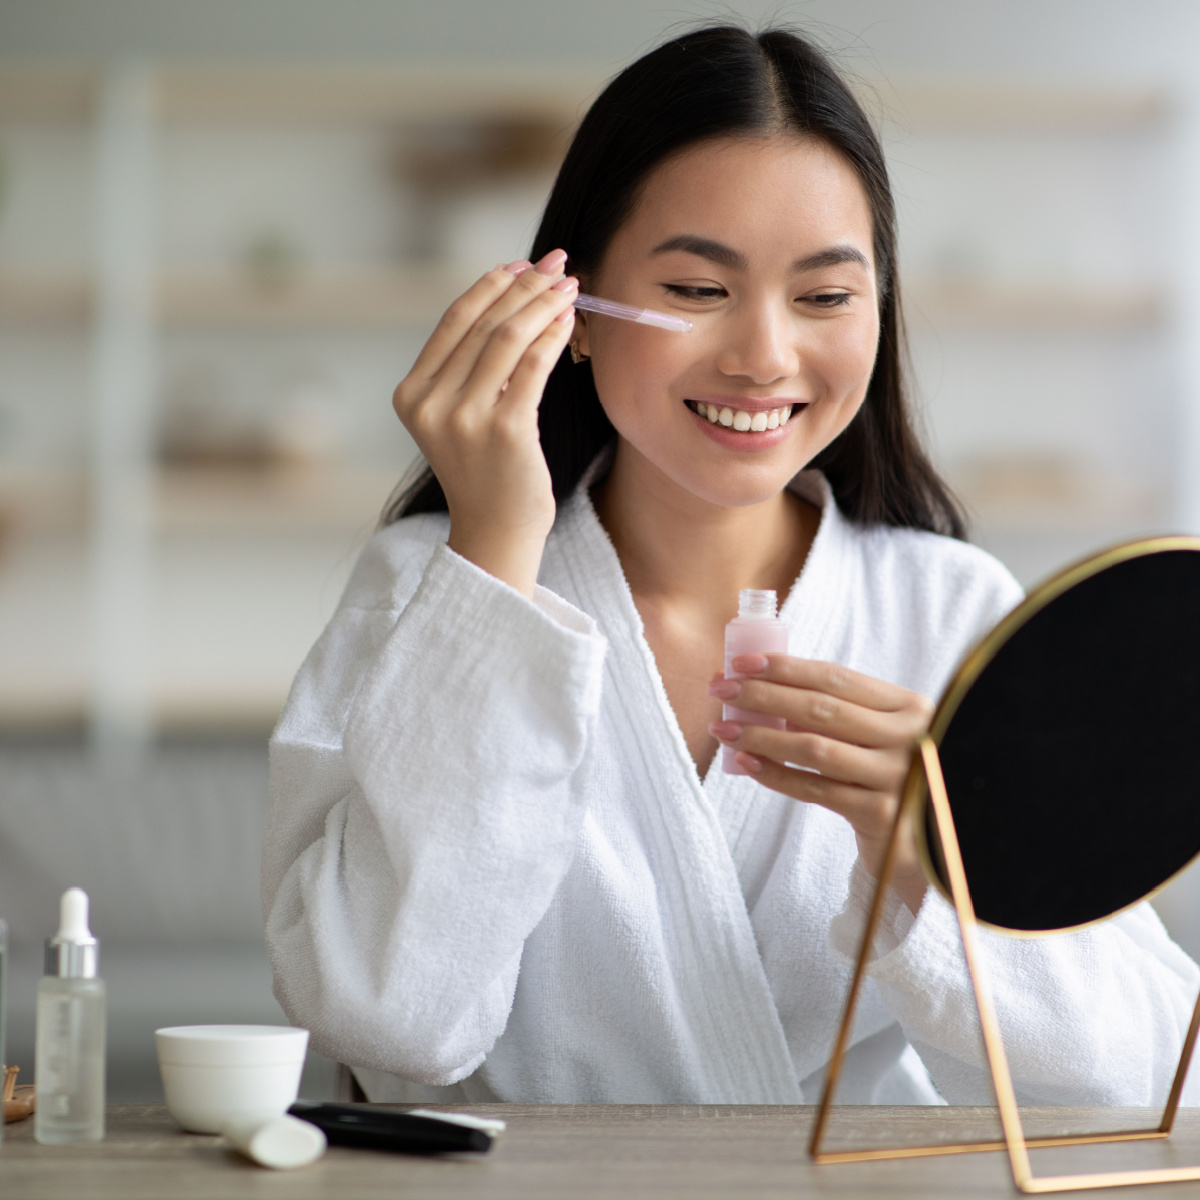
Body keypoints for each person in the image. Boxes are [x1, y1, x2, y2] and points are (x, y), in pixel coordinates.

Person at [262, 24, 1200, 1105]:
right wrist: (494, 558)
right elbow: (388, 1022)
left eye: (825, 296)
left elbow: (1138, 1073)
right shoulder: (424, 587)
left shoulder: (953, 614)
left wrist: (922, 870)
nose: (763, 355)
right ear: (569, 311)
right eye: (698, 290)